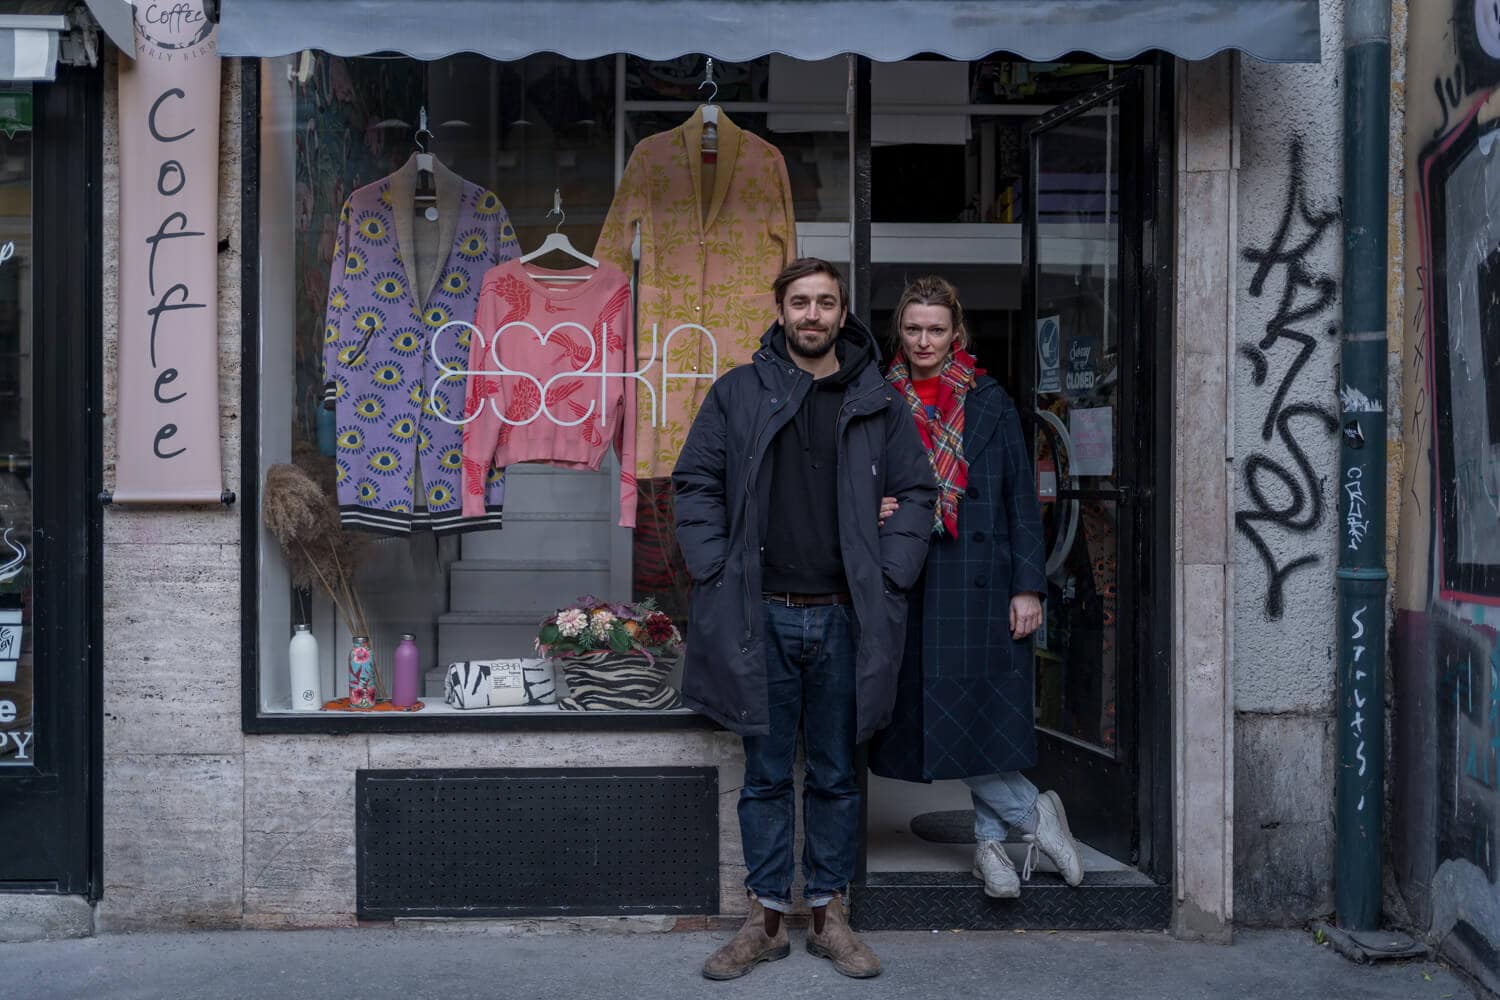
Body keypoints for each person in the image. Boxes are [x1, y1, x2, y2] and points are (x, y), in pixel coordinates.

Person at [673, 258, 938, 980]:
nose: (812, 314)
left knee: (835, 775)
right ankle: (764, 921)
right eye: (800, 302)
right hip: (760, 616)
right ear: (781, 310)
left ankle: (827, 915)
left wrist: (891, 569)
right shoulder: (739, 392)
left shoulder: (877, 400)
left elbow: (917, 493)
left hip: (846, 618)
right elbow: (695, 482)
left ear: (842, 313)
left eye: (825, 302)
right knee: (764, 775)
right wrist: (714, 567)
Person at [868, 275, 1085, 899]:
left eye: (936, 329)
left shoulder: (990, 400)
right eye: (914, 328)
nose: (924, 340)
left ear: (956, 332)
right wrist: (871, 504)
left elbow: (1022, 501)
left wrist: (1028, 586)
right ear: (900, 331)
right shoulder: (878, 398)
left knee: (982, 714)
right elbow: (855, 479)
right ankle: (1032, 813)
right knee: (937, 717)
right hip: (910, 576)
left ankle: (992, 847)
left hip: (980, 581)